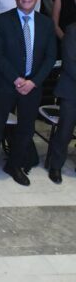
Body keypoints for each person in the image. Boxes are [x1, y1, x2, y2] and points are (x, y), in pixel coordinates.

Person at [0, 0, 57, 186]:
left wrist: (33, 82)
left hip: (33, 86)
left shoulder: (46, 23)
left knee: (26, 127)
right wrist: (16, 79)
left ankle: (14, 165)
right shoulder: (3, 20)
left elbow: (50, 57)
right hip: (6, 83)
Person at [49, 23, 76, 184]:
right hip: (71, 91)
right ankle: (56, 165)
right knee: (65, 130)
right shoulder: (72, 30)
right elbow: (70, 61)